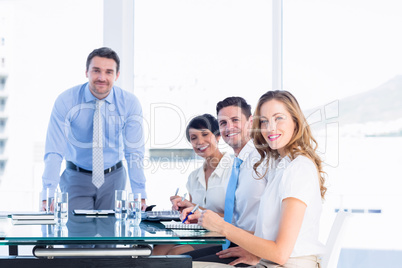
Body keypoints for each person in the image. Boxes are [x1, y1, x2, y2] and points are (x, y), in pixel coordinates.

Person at [193, 90, 327, 268]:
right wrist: (255, 253)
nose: (270, 127)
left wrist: (223, 227)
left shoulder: (298, 168)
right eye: (264, 121)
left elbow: (280, 253)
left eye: (279, 118)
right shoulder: (281, 165)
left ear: (295, 121)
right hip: (267, 261)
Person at [41, 47, 147, 212]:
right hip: (76, 177)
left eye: (108, 72)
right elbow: (54, 151)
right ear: (86, 72)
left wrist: (139, 193)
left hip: (114, 179)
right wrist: (48, 193)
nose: (101, 77)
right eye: (96, 70)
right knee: (77, 237)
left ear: (117, 75)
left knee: (113, 235)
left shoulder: (129, 103)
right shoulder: (66, 101)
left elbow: (134, 152)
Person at [182, 97, 268, 266]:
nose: (229, 127)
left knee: (175, 264)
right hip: (235, 242)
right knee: (172, 261)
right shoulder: (239, 164)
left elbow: (277, 216)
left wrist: (258, 254)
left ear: (251, 122)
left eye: (235, 120)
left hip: (255, 248)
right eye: (223, 123)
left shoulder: (262, 160)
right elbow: (236, 216)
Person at [153, 114, 233, 255]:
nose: (199, 142)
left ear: (218, 136)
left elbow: (237, 219)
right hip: (200, 235)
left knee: (174, 255)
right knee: (155, 251)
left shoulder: (233, 170)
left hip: (224, 236)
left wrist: (194, 208)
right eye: (194, 138)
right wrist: (184, 210)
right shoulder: (193, 177)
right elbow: (194, 215)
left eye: (205, 134)